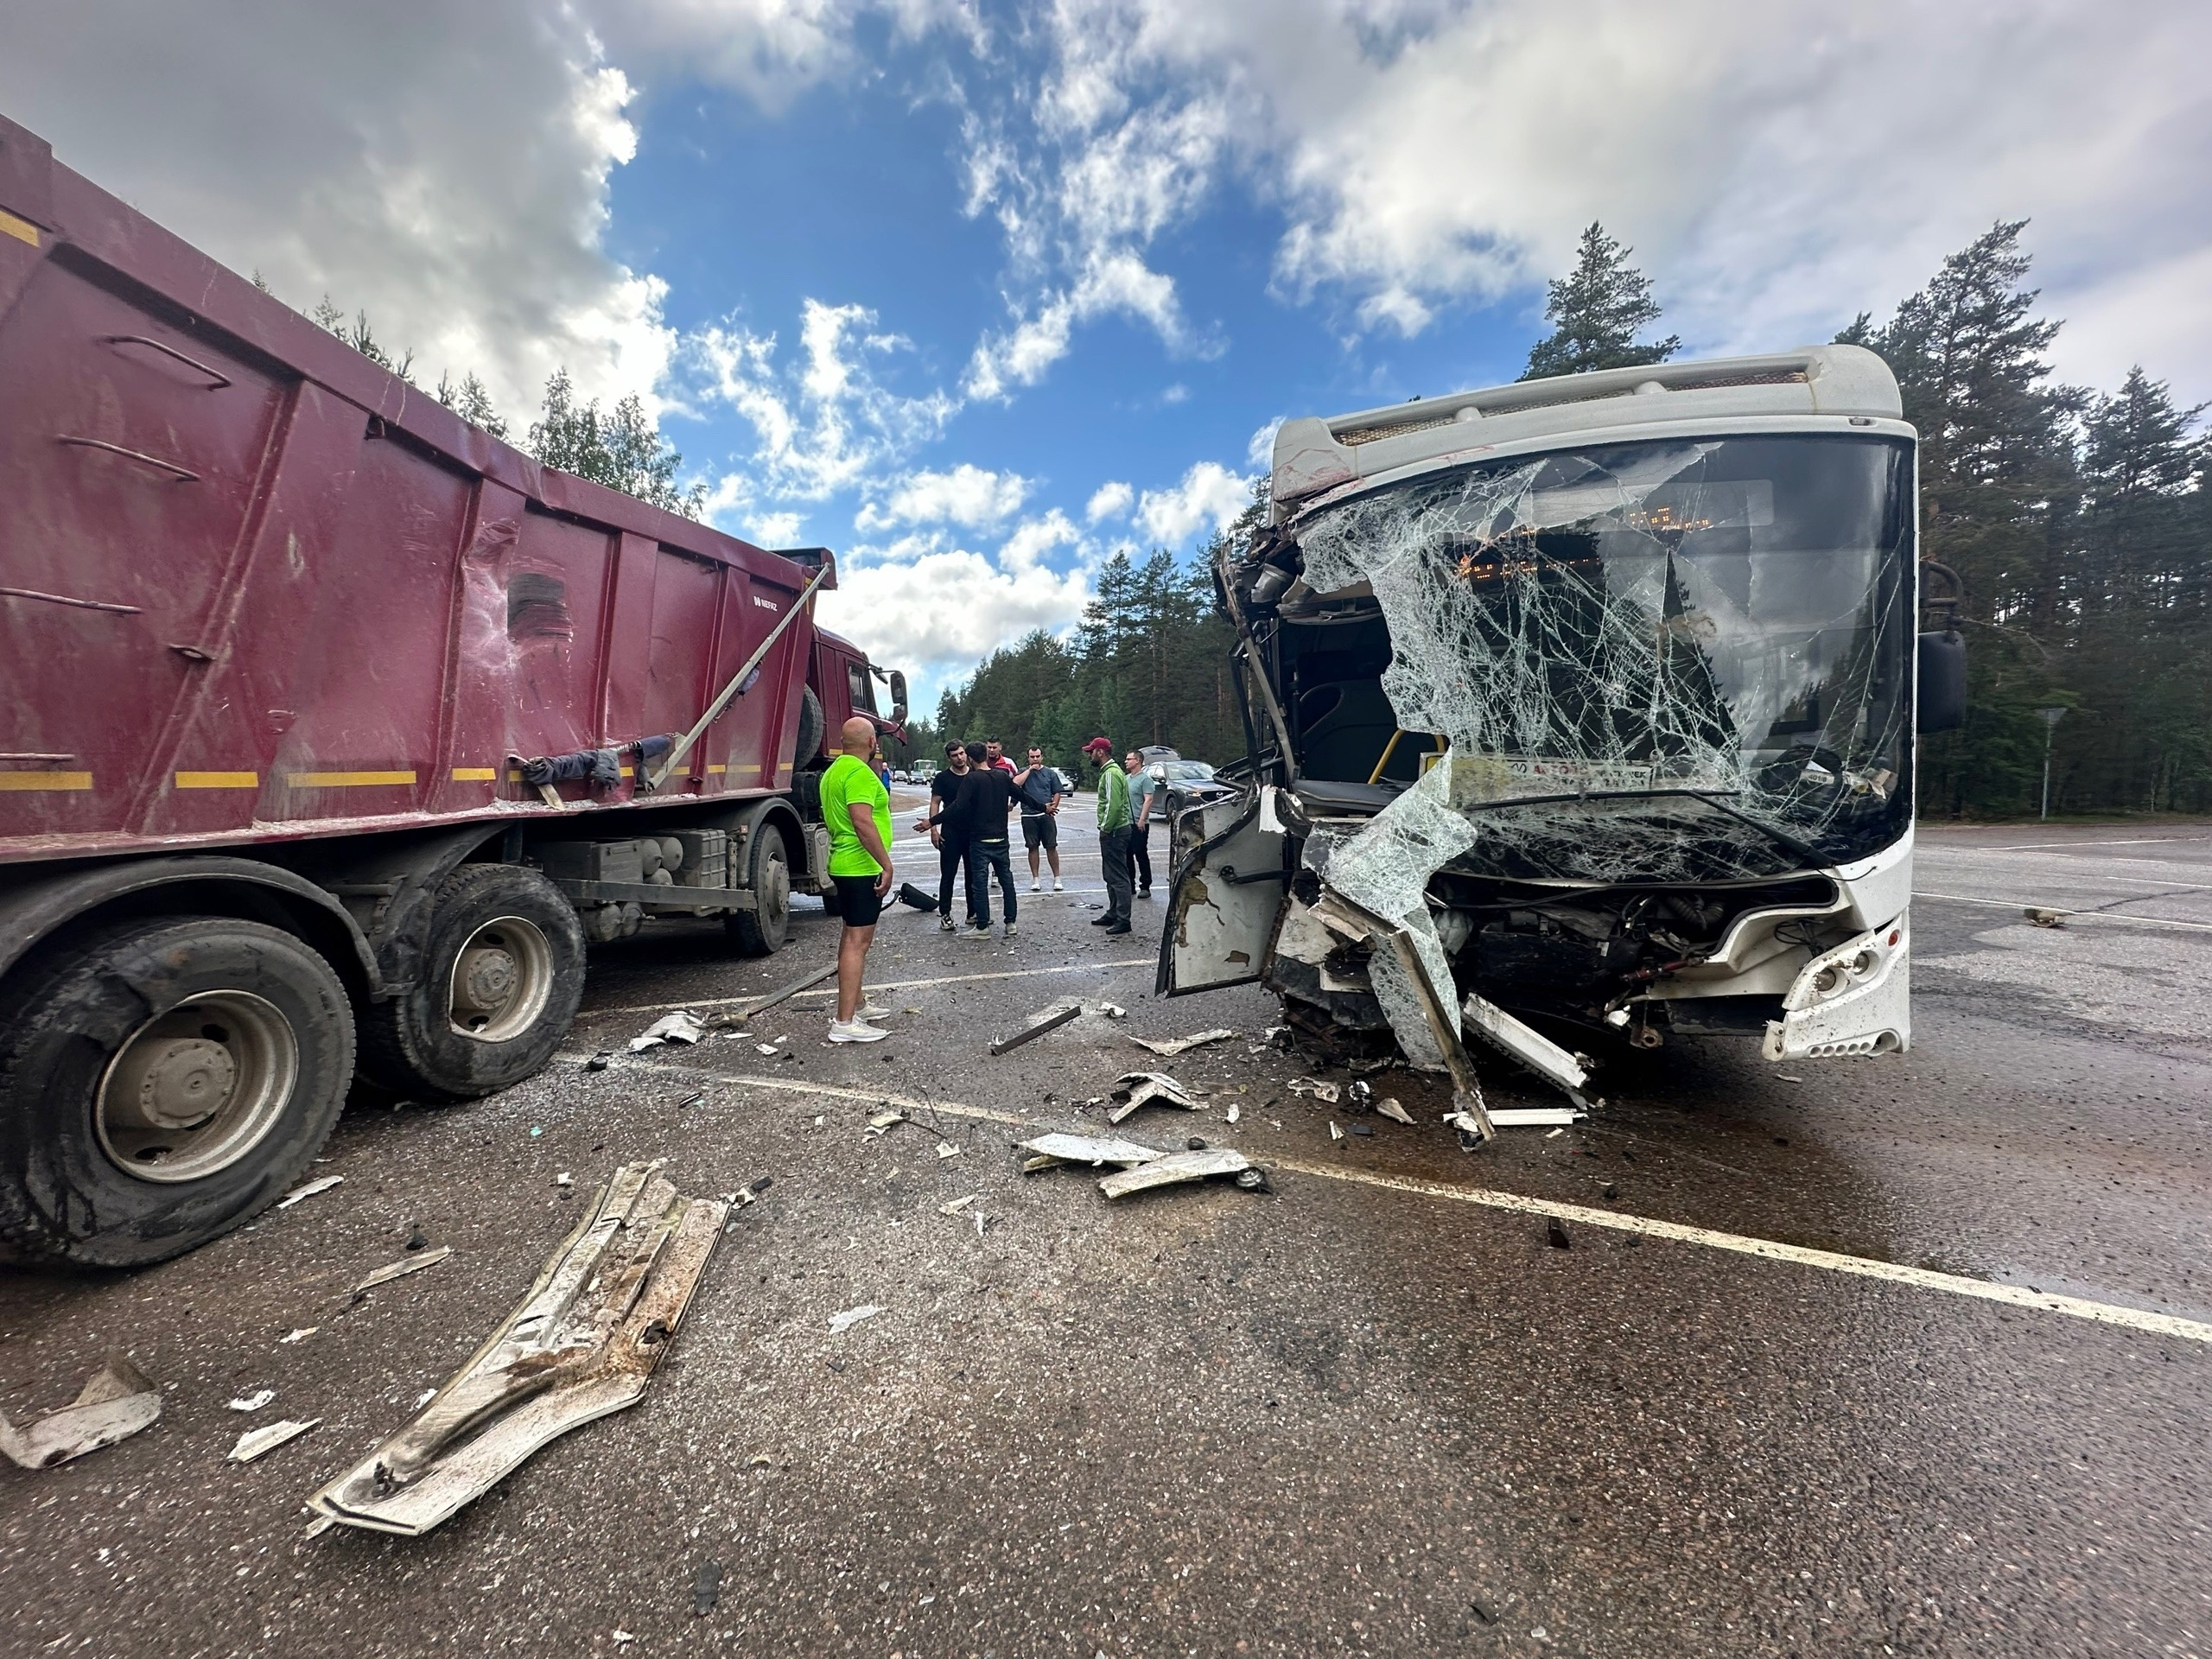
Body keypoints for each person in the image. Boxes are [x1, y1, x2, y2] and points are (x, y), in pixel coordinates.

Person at [818, 716, 894, 1044]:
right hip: (860, 866)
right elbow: (862, 822)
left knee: (851, 936)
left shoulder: (832, 772)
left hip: (843, 862)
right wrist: (886, 864)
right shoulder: (861, 773)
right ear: (871, 743)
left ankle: (857, 1004)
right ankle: (844, 1022)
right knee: (857, 943)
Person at [960, 740, 1019, 939]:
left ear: (969, 758)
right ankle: (1011, 922)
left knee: (980, 883)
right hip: (1001, 839)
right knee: (1007, 880)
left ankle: (982, 926)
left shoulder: (972, 779)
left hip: (980, 841)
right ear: (986, 755)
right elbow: (1022, 795)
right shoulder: (1002, 776)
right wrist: (1044, 808)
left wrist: (932, 822)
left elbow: (958, 807)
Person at [918, 739, 973, 932]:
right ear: (948, 758)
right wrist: (933, 829)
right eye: (954, 755)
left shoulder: (975, 774)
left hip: (973, 832)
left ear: (966, 753)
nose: (959, 758)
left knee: (973, 874)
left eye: (961, 753)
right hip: (950, 832)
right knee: (948, 874)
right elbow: (935, 803)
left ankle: (972, 913)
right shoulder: (943, 778)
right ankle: (946, 914)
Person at [1084, 736, 1133, 935]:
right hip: (1116, 830)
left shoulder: (1111, 774)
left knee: (1119, 877)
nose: (1090, 755)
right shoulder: (1110, 772)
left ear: (1100, 752)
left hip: (1115, 832)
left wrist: (1105, 828)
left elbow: (1113, 805)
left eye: (1091, 752)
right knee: (1110, 874)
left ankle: (1123, 919)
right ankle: (1113, 912)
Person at [1013, 745, 1064, 893]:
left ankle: (1057, 878)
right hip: (1028, 816)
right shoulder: (1023, 772)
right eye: (1032, 756)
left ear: (1042, 757)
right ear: (1028, 758)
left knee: (1051, 846)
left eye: (1037, 756)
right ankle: (1035, 879)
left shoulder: (1050, 774)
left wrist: (1053, 807)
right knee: (1032, 847)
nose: (1035, 759)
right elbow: (1016, 784)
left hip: (1045, 815)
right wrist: (1029, 770)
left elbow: (1057, 791)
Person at [1123, 751, 1156, 897]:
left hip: (1139, 822)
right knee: (1127, 854)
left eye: (1129, 759)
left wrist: (1142, 819)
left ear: (1137, 761)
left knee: (1140, 853)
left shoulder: (1145, 780)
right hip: (1126, 822)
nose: (1126, 762)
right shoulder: (1126, 779)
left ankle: (1145, 886)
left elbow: (1148, 799)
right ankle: (1130, 883)